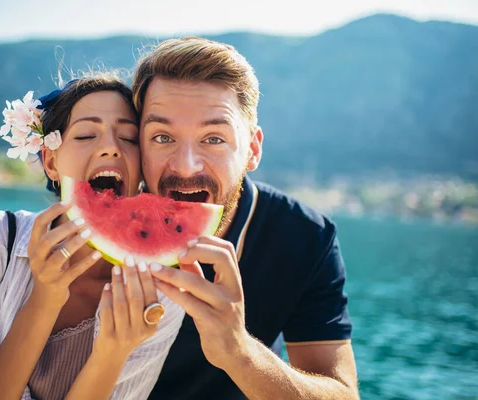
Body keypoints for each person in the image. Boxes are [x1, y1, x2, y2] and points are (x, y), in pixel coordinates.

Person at [0, 73, 185, 400]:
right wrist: (44, 296)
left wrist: (112, 354)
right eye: (87, 134)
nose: (110, 148)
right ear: (50, 161)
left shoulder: (162, 293)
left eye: (129, 139)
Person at [132, 37, 360, 399]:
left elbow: (344, 394)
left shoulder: (304, 237)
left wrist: (239, 351)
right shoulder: (99, 231)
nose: (186, 165)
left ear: (252, 150)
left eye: (214, 139)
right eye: (162, 137)